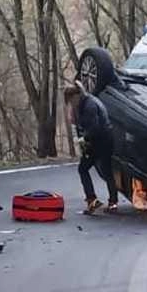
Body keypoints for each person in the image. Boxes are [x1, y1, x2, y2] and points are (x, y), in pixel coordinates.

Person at [64, 81, 118, 214]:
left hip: (102, 140)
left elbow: (94, 127)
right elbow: (81, 125)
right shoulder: (84, 103)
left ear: (76, 95)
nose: (72, 104)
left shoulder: (89, 105)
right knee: (102, 170)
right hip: (99, 140)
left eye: (71, 101)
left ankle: (96, 200)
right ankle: (108, 201)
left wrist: (84, 139)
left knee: (89, 169)